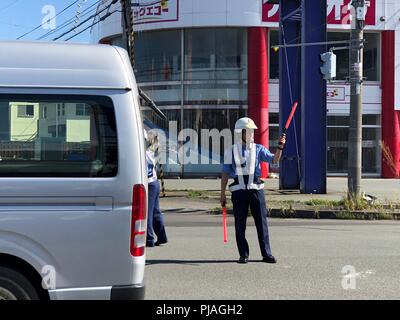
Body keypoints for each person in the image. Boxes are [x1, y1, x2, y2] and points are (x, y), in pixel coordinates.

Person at [220, 117, 286, 264]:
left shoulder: (259, 148)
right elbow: (225, 173)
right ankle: (243, 254)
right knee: (240, 224)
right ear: (240, 133)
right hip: (238, 192)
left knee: (262, 224)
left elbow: (274, 160)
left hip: (256, 190)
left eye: (252, 131)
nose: (252, 134)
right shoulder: (230, 151)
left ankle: (266, 254)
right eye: (249, 131)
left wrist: (280, 147)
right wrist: (222, 193)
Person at [145, 130, 168, 247]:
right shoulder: (151, 152)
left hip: (148, 184)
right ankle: (162, 236)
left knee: (147, 213)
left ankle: (148, 239)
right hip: (154, 183)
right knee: (155, 212)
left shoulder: (144, 153)